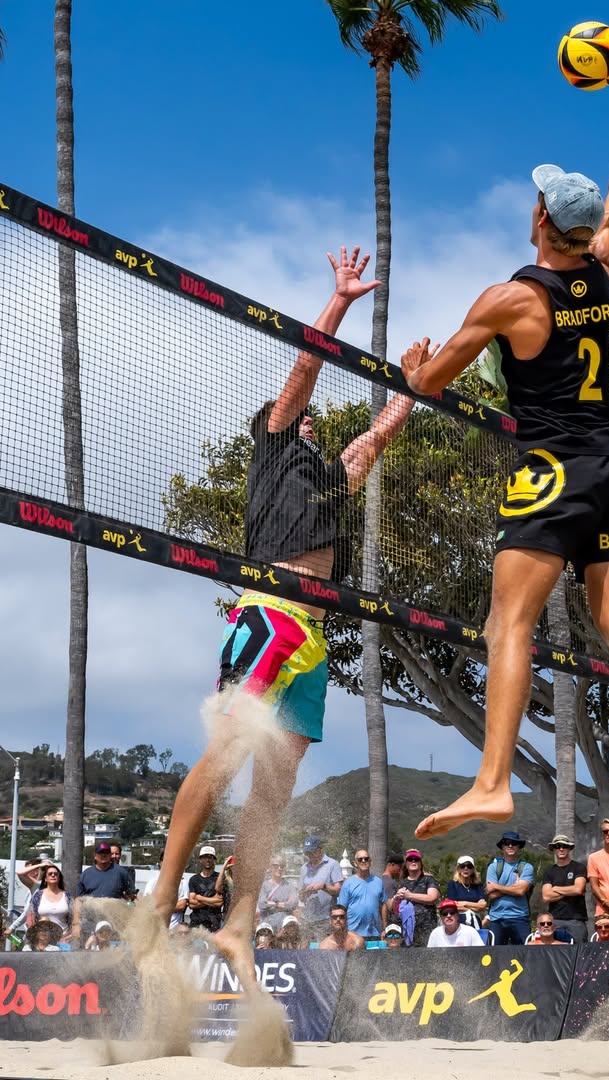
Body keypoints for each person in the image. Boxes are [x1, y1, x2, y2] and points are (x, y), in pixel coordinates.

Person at [402, 42, 609, 867]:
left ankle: (494, 776)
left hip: (557, 467)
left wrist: (412, 370)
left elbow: (432, 386)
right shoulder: (603, 270)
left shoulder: (511, 299)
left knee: (510, 620)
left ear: (540, 221)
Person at [152, 246, 422, 987]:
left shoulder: (328, 478)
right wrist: (337, 303)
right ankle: (163, 894)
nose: (308, 422)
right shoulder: (273, 446)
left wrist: (412, 388)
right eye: (300, 419)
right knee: (229, 753)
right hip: (268, 615)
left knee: (273, 787)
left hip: (312, 640)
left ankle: (239, 923)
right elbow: (303, 370)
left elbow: (373, 443)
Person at [72, 842, 129, 944]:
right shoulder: (86, 874)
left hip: (114, 922)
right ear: (95, 856)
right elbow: (78, 900)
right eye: (100, 853)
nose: (104, 855)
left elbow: (130, 897)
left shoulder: (121, 872)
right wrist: (76, 924)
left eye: (107, 852)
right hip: (90, 921)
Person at [485, 831, 534, 945]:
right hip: (496, 919)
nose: (510, 846)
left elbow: (521, 891)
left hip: (520, 917)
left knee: (524, 954)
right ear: (502, 846)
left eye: (514, 843)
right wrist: (514, 888)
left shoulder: (526, 867)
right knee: (495, 956)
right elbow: (491, 894)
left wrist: (497, 886)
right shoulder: (493, 867)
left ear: (519, 846)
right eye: (507, 843)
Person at [541, 834, 588, 945]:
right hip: (556, 919)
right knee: (556, 954)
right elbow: (546, 896)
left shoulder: (579, 867)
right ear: (553, 849)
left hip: (576, 919)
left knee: (580, 951)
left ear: (569, 848)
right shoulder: (549, 871)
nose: (561, 849)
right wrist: (569, 891)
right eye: (557, 846)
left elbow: (579, 889)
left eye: (564, 846)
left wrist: (556, 888)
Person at [298, 836, 344, 940]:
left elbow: (339, 891)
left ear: (320, 850)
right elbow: (300, 896)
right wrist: (305, 892)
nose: (310, 855)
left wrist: (323, 886)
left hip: (325, 919)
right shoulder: (304, 868)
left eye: (312, 852)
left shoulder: (332, 864)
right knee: (303, 950)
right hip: (306, 918)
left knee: (324, 951)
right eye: (307, 853)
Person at [338, 848, 387, 942]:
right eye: (360, 859)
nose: (363, 861)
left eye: (366, 858)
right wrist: (342, 931)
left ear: (370, 861)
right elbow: (341, 909)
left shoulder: (378, 882)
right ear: (355, 863)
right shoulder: (348, 883)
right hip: (352, 933)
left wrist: (384, 928)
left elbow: (383, 904)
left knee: (373, 957)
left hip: (374, 933)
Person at [394, 849, 439, 946]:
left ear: (421, 863)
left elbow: (433, 898)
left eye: (416, 859)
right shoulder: (402, 883)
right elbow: (395, 909)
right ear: (406, 864)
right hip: (407, 929)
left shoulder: (428, 879)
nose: (413, 861)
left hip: (427, 928)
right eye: (410, 859)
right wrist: (396, 899)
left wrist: (410, 896)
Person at [24, 864, 73, 940]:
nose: (53, 875)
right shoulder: (38, 895)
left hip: (63, 939)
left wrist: (69, 936)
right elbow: (32, 918)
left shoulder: (67, 896)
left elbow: (73, 918)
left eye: (56, 874)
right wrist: (41, 865)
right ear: (45, 879)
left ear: (59, 878)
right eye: (50, 874)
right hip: (42, 939)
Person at [257, 854, 299, 933]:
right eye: (276, 866)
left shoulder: (290, 886)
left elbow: (293, 904)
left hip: (284, 928)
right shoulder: (264, 886)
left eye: (282, 866)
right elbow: (262, 904)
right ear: (270, 867)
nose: (279, 868)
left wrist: (272, 904)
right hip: (267, 927)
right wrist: (281, 905)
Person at [187, 845, 225, 933]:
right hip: (196, 924)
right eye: (204, 857)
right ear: (200, 860)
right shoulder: (194, 879)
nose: (207, 860)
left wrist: (199, 898)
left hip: (214, 925)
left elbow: (219, 902)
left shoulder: (219, 878)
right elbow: (191, 904)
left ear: (214, 860)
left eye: (210, 857)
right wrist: (212, 900)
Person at [445, 855, 487, 927]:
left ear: (473, 869)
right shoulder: (452, 884)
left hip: (475, 922)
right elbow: (453, 906)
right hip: (458, 922)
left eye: (469, 866)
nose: (466, 868)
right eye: (462, 866)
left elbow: (483, 906)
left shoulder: (478, 885)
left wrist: (464, 903)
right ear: (458, 869)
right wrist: (475, 906)